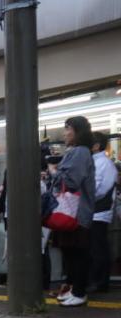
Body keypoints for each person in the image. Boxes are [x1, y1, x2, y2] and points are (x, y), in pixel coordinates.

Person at [52, 116, 97, 307]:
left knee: (77, 252)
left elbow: (71, 182)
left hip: (76, 212)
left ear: (77, 131)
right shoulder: (78, 151)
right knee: (70, 251)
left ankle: (79, 292)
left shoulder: (79, 152)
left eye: (67, 128)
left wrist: (54, 171)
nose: (64, 133)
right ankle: (73, 289)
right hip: (73, 211)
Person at [89, 131, 117, 294]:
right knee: (95, 247)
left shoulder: (103, 164)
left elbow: (98, 190)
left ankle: (100, 282)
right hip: (94, 211)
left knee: (98, 248)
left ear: (96, 146)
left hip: (99, 212)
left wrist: (84, 194)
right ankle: (96, 280)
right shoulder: (96, 162)